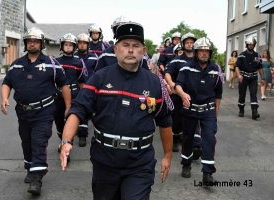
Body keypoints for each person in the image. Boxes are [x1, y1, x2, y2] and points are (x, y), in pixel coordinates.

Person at [60, 22, 173, 199]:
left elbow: (165, 121)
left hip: (140, 162)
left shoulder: (154, 83)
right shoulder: (100, 78)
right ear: (115, 49)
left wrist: (167, 155)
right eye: (125, 45)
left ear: (143, 51)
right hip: (105, 161)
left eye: (135, 46)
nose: (130, 50)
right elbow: (78, 110)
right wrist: (66, 141)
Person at [0, 27, 71, 195]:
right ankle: (30, 168)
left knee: (39, 142)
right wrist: (4, 98)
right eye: (29, 41)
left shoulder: (52, 64)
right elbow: (6, 82)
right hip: (23, 112)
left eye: (36, 41)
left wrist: (68, 106)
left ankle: (37, 178)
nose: (32, 43)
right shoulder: (17, 64)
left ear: (41, 44)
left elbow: (64, 85)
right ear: (25, 44)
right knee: (27, 142)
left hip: (44, 112)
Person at [175, 37, 223, 185]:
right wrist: (183, 95)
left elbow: (218, 94)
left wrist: (215, 114)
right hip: (190, 109)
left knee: (209, 138)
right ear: (196, 52)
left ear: (210, 53)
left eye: (206, 50)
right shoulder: (186, 68)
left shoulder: (215, 69)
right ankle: (186, 164)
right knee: (188, 138)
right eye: (201, 50)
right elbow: (178, 85)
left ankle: (207, 172)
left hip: (208, 110)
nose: (204, 53)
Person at [165, 32, 201, 157]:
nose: (190, 45)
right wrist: (171, 84)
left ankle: (195, 146)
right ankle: (175, 140)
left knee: (194, 120)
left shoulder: (199, 60)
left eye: (192, 42)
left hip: (194, 97)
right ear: (183, 44)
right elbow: (167, 73)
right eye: (187, 42)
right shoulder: (177, 60)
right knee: (177, 122)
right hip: (177, 96)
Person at [54, 33, 85, 156]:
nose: (68, 47)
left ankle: (67, 144)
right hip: (58, 95)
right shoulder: (55, 61)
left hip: (74, 95)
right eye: (66, 45)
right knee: (59, 121)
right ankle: (62, 140)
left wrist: (83, 95)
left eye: (70, 45)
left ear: (74, 47)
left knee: (71, 119)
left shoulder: (79, 62)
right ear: (62, 46)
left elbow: (81, 81)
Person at [73, 33, 98, 147]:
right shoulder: (73, 57)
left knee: (88, 110)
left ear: (88, 44)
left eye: (84, 43)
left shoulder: (94, 57)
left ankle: (83, 133)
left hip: (90, 88)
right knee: (78, 109)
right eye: (80, 43)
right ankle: (81, 134)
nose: (82, 45)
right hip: (75, 88)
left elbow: (98, 72)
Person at [235, 37, 265, 119]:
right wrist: (239, 75)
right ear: (247, 45)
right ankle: (241, 110)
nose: (251, 46)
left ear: (254, 45)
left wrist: (263, 78)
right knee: (242, 94)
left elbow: (260, 68)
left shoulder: (257, 56)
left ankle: (254, 112)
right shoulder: (242, 55)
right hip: (243, 77)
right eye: (249, 44)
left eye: (252, 44)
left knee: (253, 94)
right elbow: (237, 66)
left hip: (253, 77)